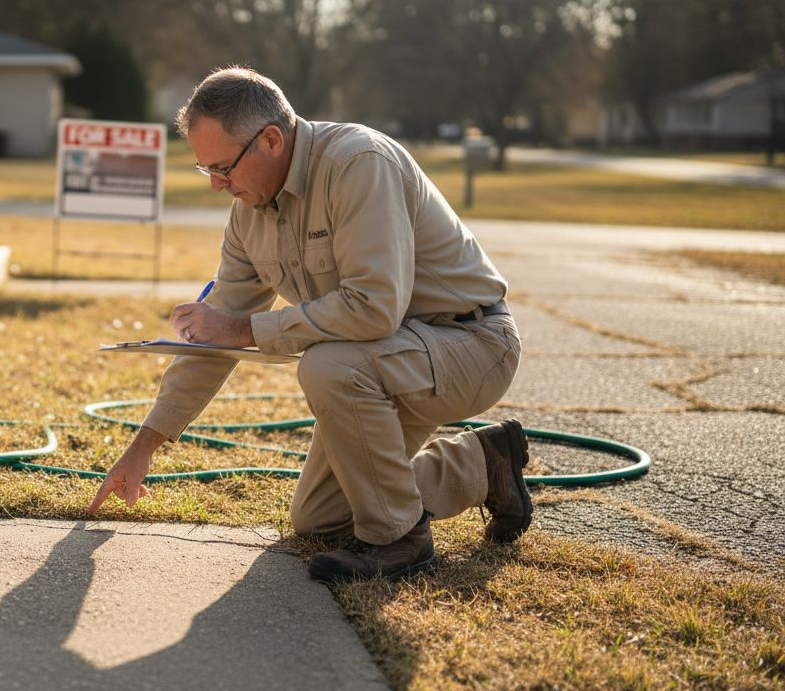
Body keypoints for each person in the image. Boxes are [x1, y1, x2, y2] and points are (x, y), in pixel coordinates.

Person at [87, 67, 533, 583]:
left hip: (472, 345)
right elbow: (216, 334)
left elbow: (373, 307)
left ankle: (400, 540)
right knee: (319, 518)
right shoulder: (247, 212)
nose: (215, 186)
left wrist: (245, 330)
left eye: (223, 167)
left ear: (272, 140)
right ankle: (485, 463)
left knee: (327, 366)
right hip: (389, 360)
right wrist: (143, 447)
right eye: (203, 169)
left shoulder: (359, 164)